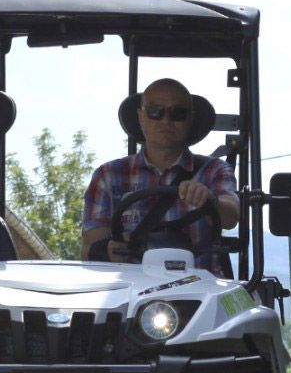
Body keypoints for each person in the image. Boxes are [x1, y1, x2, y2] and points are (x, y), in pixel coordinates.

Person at [81, 78, 240, 275]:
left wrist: (209, 200)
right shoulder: (107, 176)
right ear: (141, 116)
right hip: (130, 296)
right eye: (155, 112)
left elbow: (231, 216)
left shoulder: (214, 170)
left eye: (178, 113)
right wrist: (110, 251)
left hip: (203, 292)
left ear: (190, 119)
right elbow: (90, 249)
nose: (166, 120)